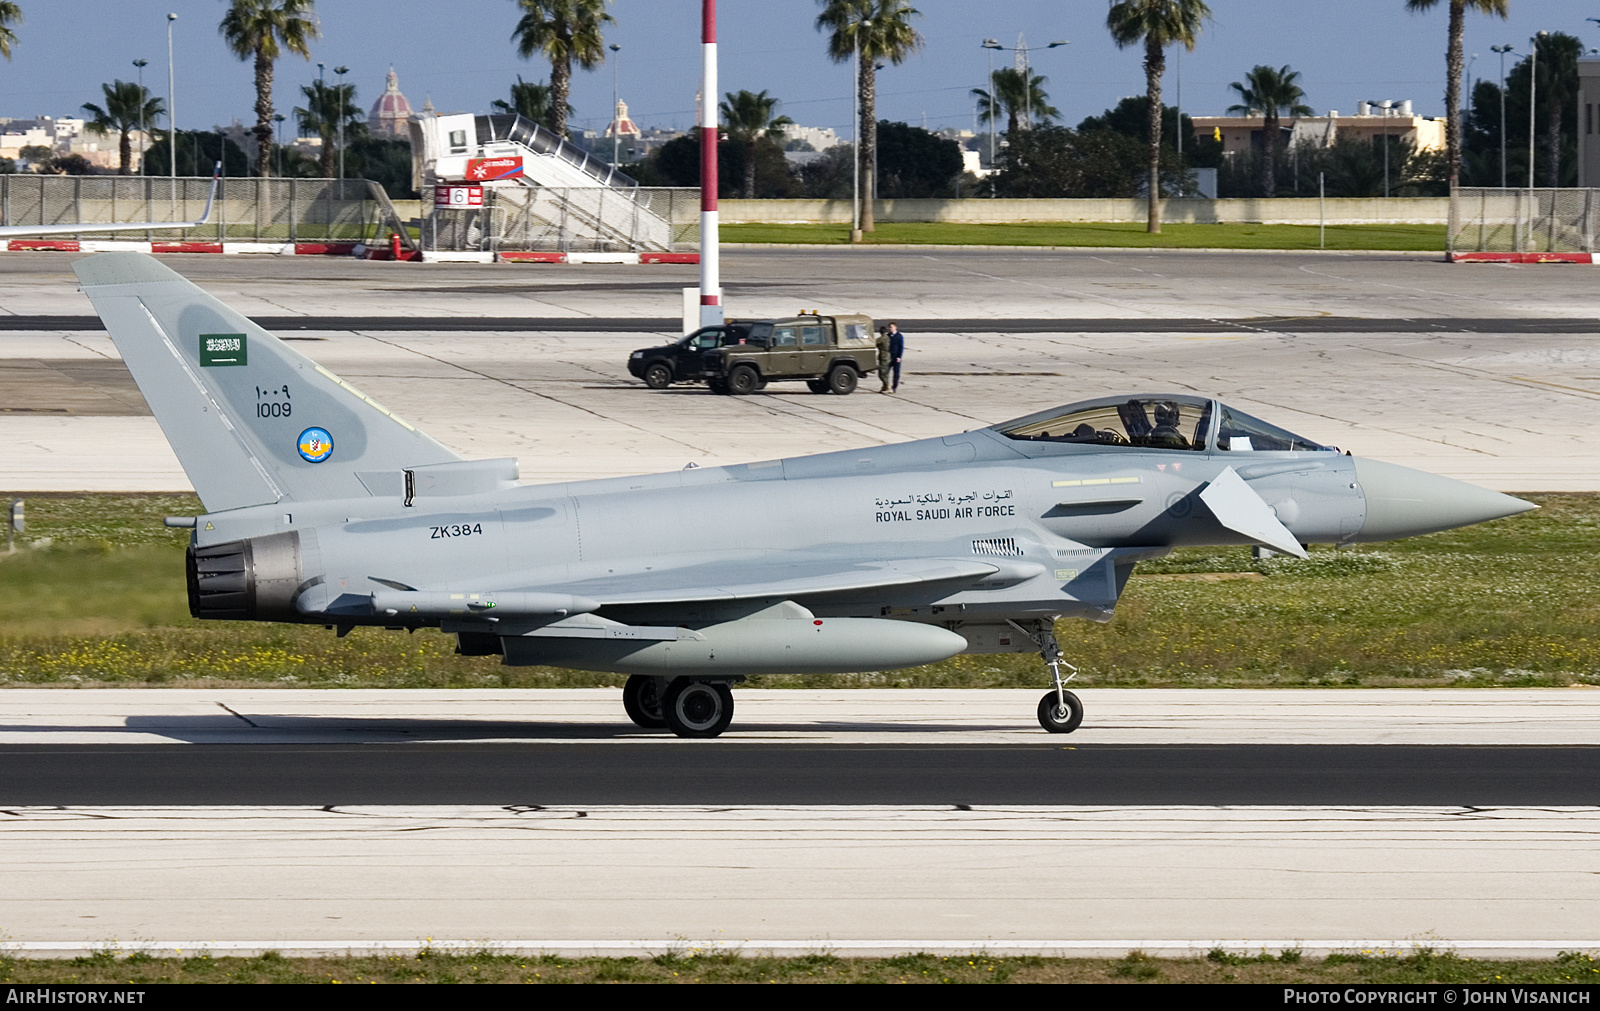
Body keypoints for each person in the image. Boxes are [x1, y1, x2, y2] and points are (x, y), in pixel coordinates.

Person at [886, 321, 904, 393]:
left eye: (892, 327)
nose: (890, 329)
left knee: (896, 373)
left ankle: (894, 387)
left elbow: (901, 347)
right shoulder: (888, 335)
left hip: (896, 357)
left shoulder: (899, 336)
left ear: (895, 327)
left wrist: (899, 356)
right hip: (889, 357)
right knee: (886, 372)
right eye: (890, 327)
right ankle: (887, 386)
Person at [874, 326, 892, 392]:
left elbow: (873, 343)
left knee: (881, 374)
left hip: (884, 358)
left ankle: (887, 386)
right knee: (885, 373)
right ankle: (885, 387)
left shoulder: (881, 339)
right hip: (889, 357)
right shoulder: (889, 338)